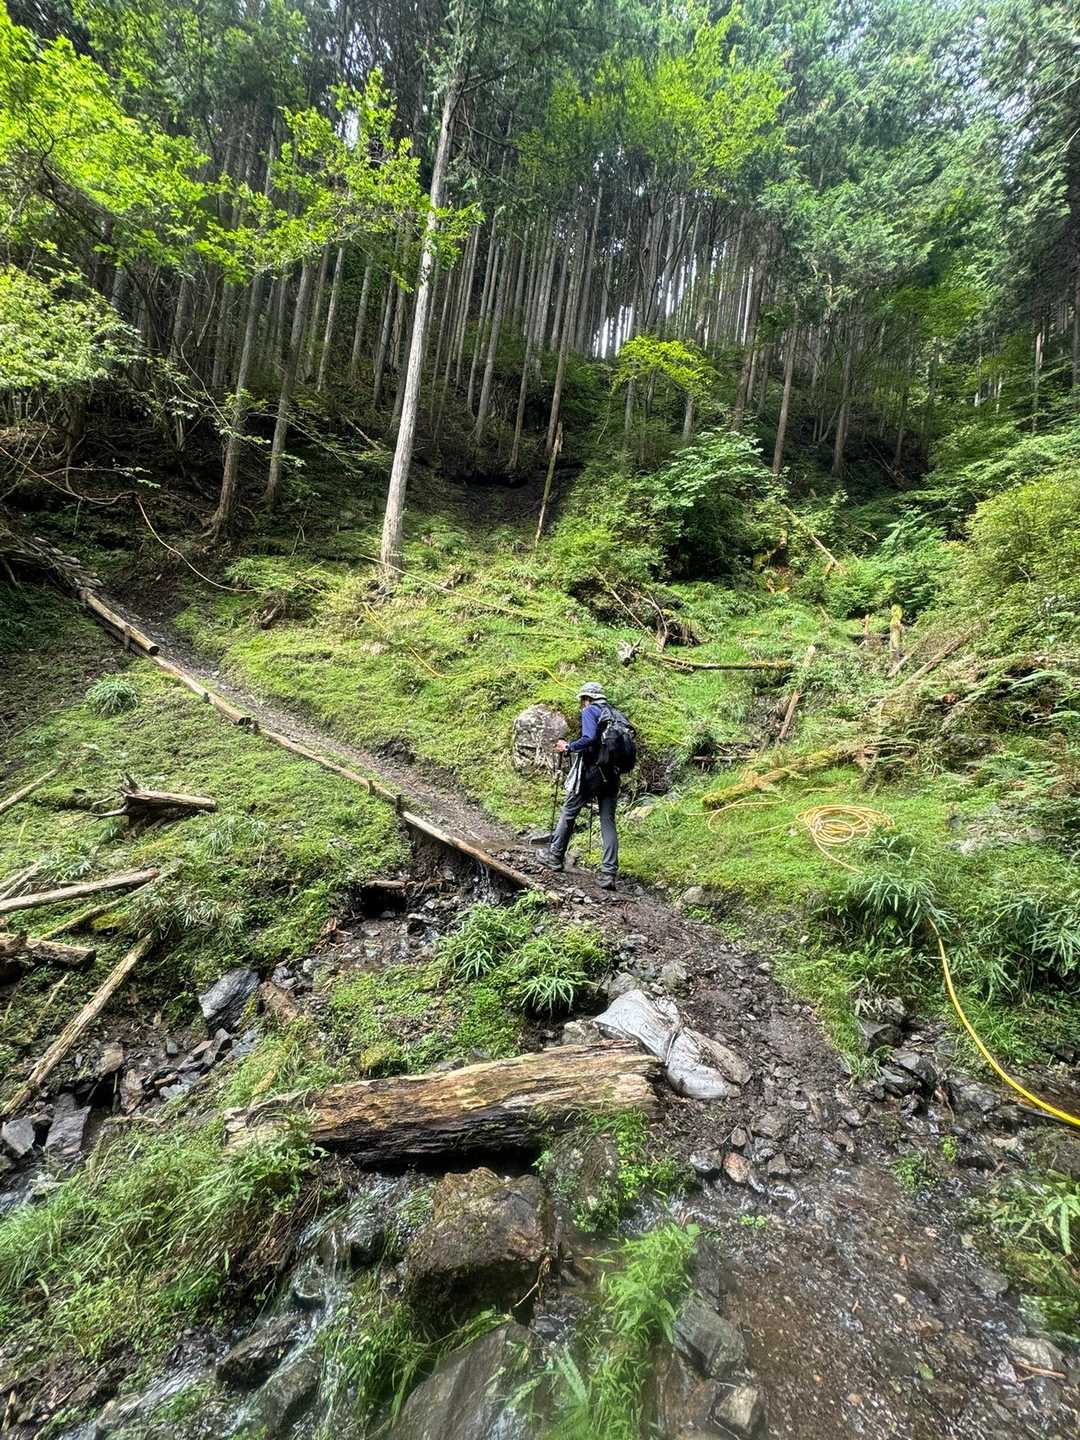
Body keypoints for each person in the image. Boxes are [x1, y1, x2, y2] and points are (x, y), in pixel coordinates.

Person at [540, 681, 619, 889]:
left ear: (587, 698)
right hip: (612, 774)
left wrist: (569, 747)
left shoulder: (590, 710)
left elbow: (589, 738)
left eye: (582, 700)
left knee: (569, 811)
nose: (582, 704)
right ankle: (609, 874)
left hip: (593, 773)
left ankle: (555, 857)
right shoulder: (614, 713)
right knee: (608, 821)